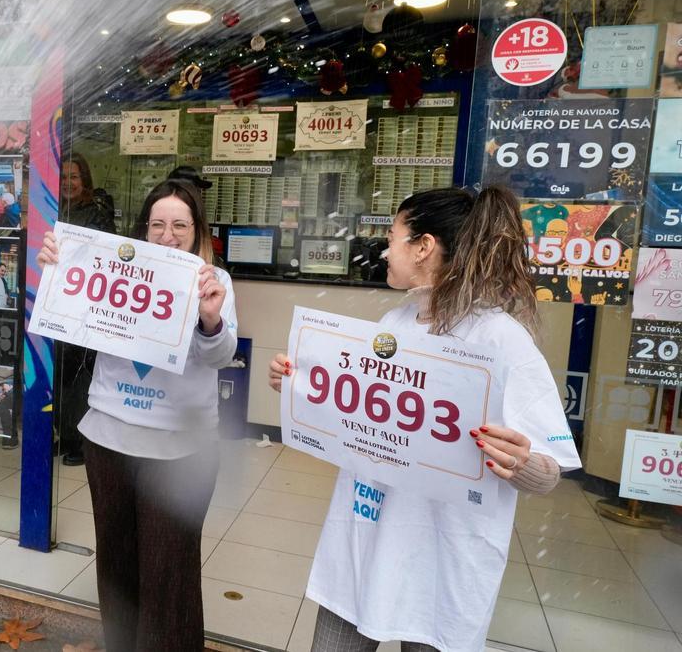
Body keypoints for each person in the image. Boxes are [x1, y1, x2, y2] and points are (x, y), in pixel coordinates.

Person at [268, 187, 581, 652]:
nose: (384, 250)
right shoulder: (395, 325)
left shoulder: (499, 340)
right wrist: (300, 388)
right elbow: (360, 414)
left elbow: (548, 473)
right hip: (365, 534)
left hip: (441, 556)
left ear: (423, 246)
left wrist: (521, 463)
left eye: (393, 237)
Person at [37, 179, 237, 651]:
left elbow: (221, 356)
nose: (167, 236)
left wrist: (211, 319)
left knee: (170, 572)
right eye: (157, 225)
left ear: (197, 229)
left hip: (180, 451)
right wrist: (58, 269)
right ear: (144, 230)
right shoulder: (115, 271)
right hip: (109, 439)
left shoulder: (215, 281)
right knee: (117, 565)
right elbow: (70, 317)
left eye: (179, 226)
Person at [58, 154, 117, 465]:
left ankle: (79, 440)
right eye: (64, 176)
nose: (69, 182)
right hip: (57, 300)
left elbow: (107, 255)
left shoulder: (96, 211)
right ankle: (62, 433)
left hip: (86, 302)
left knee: (81, 372)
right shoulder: (52, 207)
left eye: (75, 176)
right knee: (61, 372)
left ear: (85, 180)